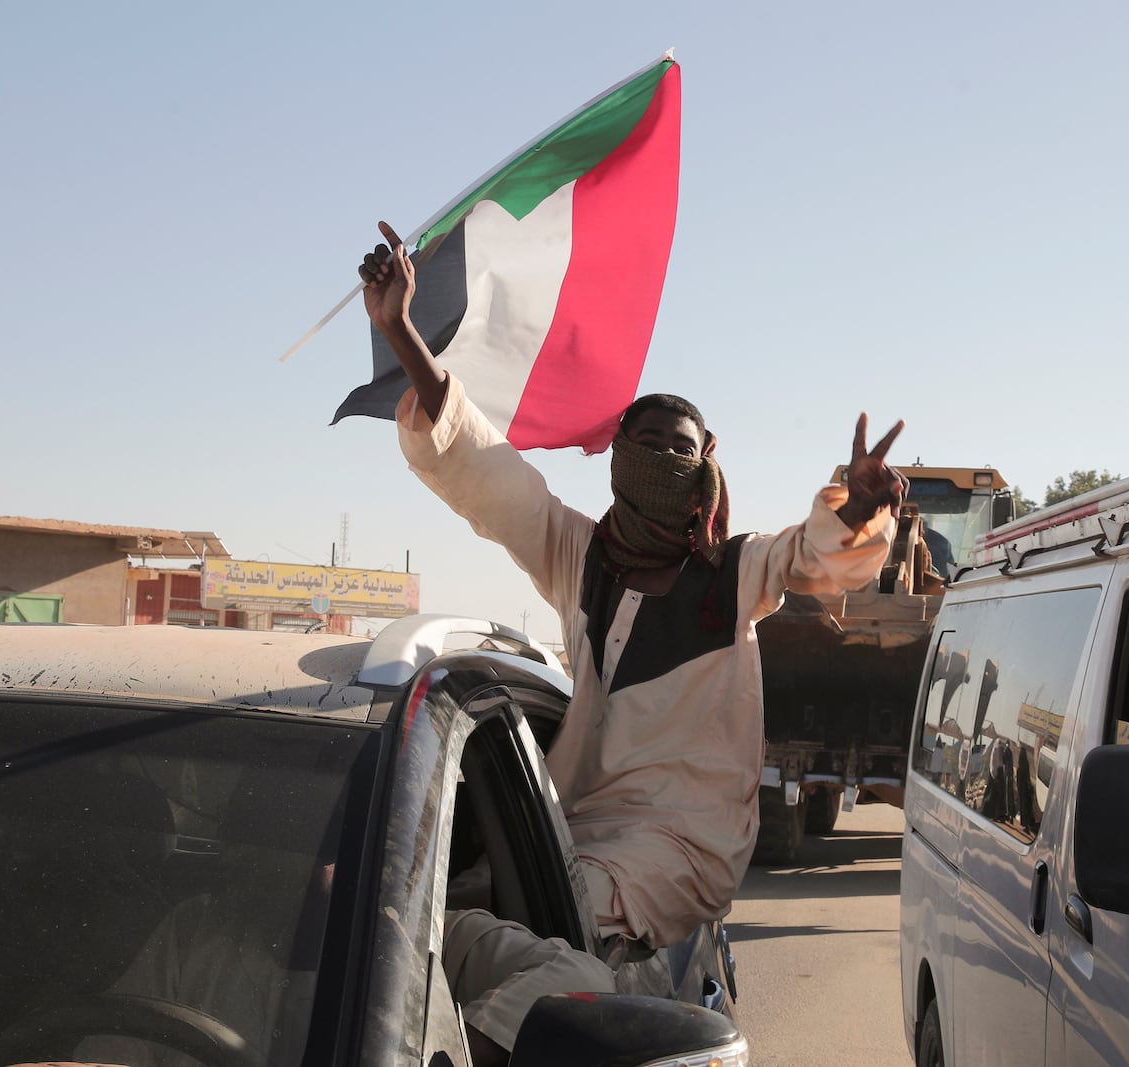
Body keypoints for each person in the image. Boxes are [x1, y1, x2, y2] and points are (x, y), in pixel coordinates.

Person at [358, 221, 905, 1059]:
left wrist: (860, 506)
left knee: (560, 930)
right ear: (616, 457)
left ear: (704, 468)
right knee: (432, 910)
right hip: (580, 824)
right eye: (644, 443)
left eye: (677, 449)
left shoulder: (731, 578)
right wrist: (399, 330)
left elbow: (816, 556)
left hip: (682, 845)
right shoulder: (582, 557)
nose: (658, 458)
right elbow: (486, 473)